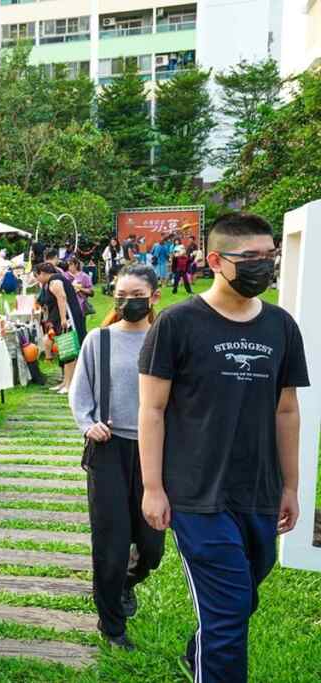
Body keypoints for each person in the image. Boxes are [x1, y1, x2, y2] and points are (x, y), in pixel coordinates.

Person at [138, 213, 309, 683]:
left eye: (269, 256)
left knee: (241, 598)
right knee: (229, 612)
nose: (263, 266)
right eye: (249, 258)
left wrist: (290, 485)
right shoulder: (177, 323)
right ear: (215, 260)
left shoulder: (281, 326)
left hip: (258, 489)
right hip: (197, 494)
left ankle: (199, 650)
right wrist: (153, 487)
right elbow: (151, 410)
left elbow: (286, 410)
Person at [68, 264, 165, 651]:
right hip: (108, 450)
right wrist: (87, 423)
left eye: (136, 297)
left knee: (152, 544)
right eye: (121, 296)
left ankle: (128, 580)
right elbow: (82, 393)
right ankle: (112, 625)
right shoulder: (100, 339)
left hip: (154, 451)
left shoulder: (166, 340)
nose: (127, 303)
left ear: (154, 297)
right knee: (111, 541)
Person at [35, 262, 87, 394]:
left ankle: (70, 384)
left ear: (42, 273)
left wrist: (64, 318)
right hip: (62, 319)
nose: (37, 279)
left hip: (69, 318)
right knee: (65, 351)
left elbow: (62, 298)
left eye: (37, 276)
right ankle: (65, 382)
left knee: (69, 351)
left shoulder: (55, 281)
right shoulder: (51, 282)